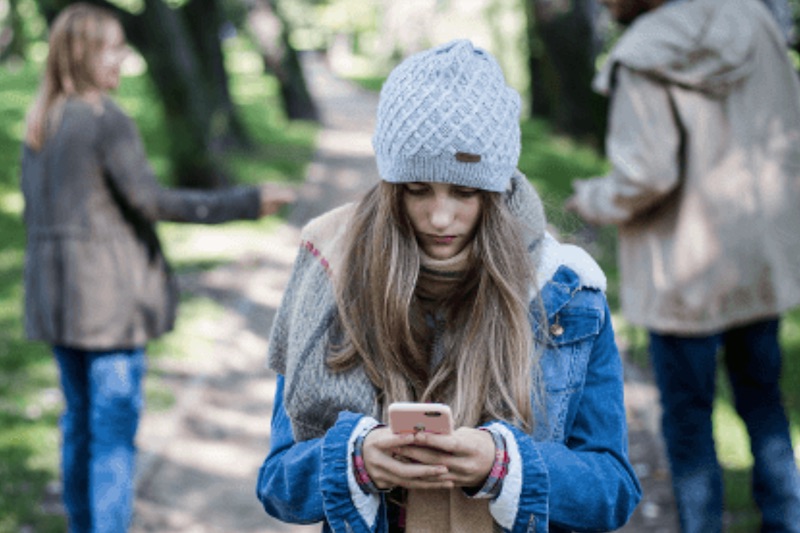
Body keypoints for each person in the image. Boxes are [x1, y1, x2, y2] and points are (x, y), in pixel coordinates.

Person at [256, 39, 641, 533]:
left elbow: (613, 489)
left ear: (496, 192)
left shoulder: (567, 291)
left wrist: (503, 466)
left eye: (464, 192)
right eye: (418, 190)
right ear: (394, 186)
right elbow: (278, 482)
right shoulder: (332, 272)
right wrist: (356, 461)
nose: (440, 216)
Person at [20, 3, 296, 532]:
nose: (121, 57)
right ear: (80, 54)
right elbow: (151, 202)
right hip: (108, 307)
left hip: (57, 303)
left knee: (79, 424)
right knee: (112, 434)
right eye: (110, 48)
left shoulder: (41, 124)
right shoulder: (105, 120)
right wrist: (246, 201)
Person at [565, 0, 800, 531]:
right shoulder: (754, 21)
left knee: (689, 420)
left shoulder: (643, 52)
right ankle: (786, 520)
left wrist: (594, 198)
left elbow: (645, 175)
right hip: (754, 258)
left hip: (683, 268)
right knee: (763, 402)